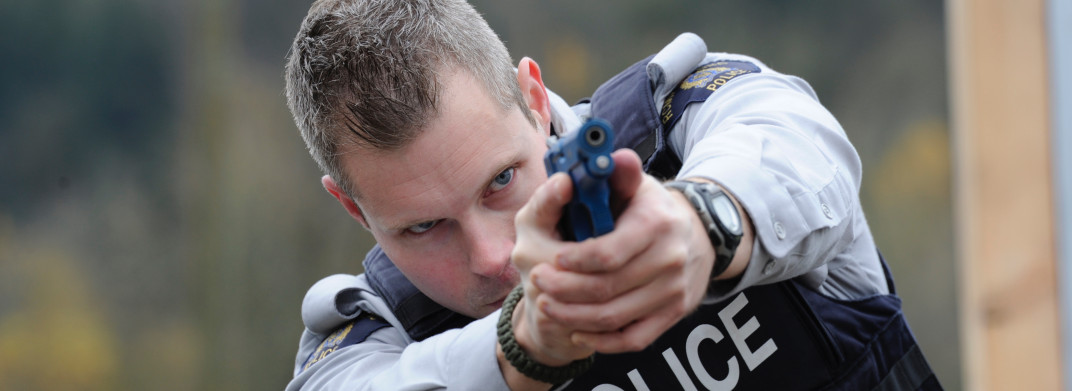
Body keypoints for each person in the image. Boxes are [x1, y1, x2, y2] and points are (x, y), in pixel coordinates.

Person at [283, 0, 940, 389]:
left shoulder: (690, 115)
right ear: (352, 208)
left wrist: (697, 226)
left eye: (501, 181)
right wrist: (521, 343)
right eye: (423, 227)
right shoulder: (363, 341)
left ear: (535, 100)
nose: (493, 256)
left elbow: (797, 152)